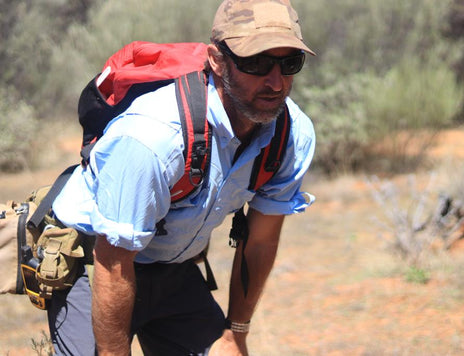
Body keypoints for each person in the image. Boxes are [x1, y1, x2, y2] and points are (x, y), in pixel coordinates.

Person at [49, 0, 316, 355]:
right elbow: (113, 261)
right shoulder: (153, 139)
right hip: (95, 264)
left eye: (289, 63)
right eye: (256, 62)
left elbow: (261, 242)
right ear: (217, 61)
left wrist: (236, 333)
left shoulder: (291, 134)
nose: (275, 81)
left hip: (172, 269)